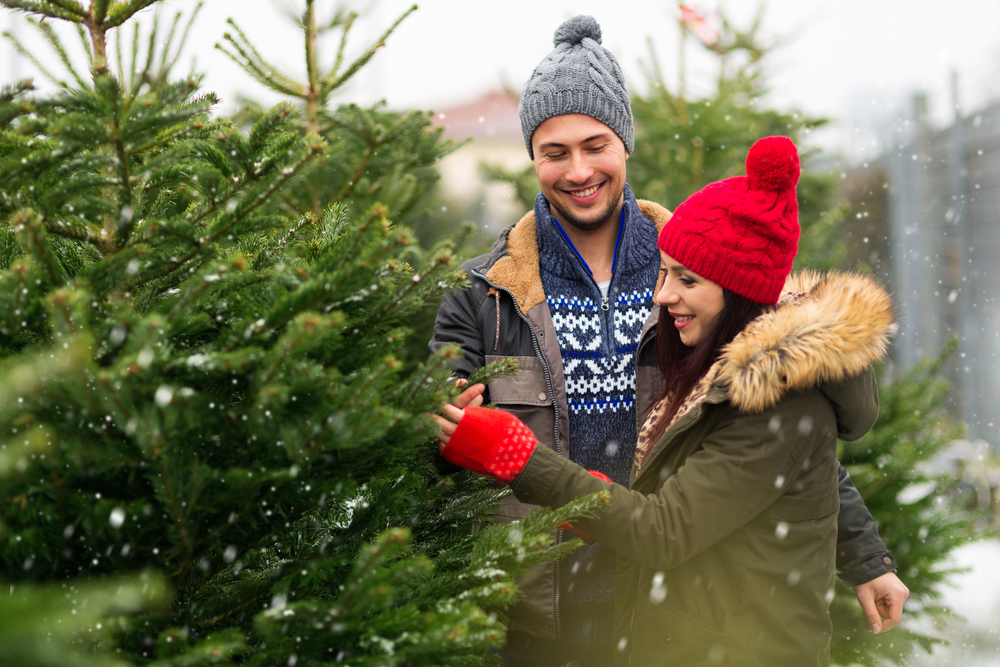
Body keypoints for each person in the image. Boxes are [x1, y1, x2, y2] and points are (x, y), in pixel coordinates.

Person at [429, 14, 908, 666]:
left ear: (625, 142)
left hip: (662, 599)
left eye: (594, 144)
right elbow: (436, 436)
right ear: (532, 158)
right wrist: (447, 428)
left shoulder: (702, 272)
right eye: (554, 151)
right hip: (540, 614)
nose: (578, 170)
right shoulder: (482, 295)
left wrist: (863, 554)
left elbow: (772, 411)